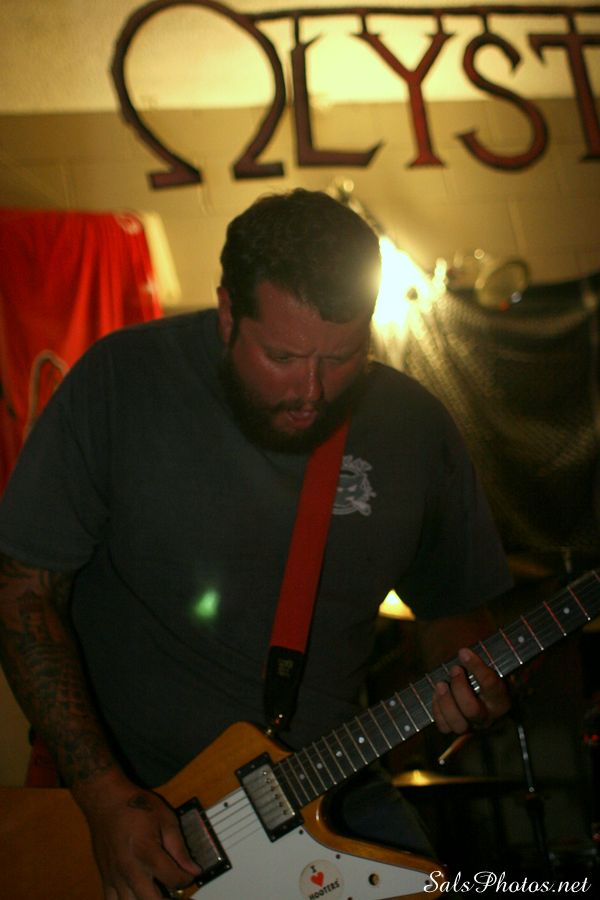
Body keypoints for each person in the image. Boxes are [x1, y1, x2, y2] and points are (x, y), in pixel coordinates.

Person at [0, 189, 512, 899]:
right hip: (134, 804)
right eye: (282, 355)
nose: (312, 390)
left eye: (343, 356)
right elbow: (23, 591)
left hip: (325, 794)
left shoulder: (414, 428)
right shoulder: (123, 381)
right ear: (227, 313)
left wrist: (476, 682)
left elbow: (454, 614)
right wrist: (102, 795)